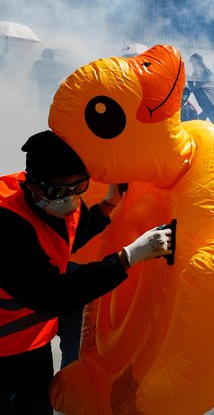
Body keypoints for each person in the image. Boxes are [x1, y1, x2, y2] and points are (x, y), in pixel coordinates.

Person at [0, 130, 173, 415]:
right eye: (57, 191)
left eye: (78, 187)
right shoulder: (8, 224)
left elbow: (69, 238)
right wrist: (127, 258)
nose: (68, 199)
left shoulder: (62, 204)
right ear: (32, 186)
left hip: (34, 343)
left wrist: (108, 204)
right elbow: (51, 295)